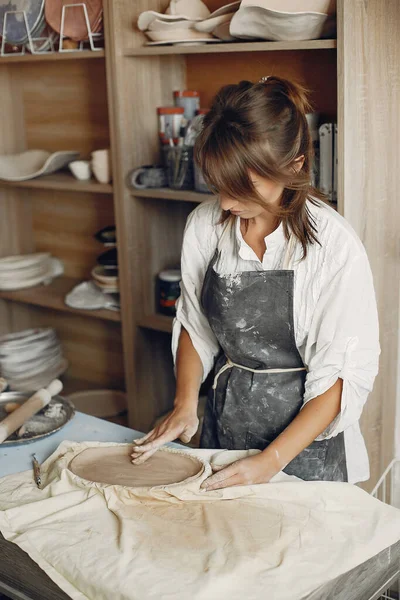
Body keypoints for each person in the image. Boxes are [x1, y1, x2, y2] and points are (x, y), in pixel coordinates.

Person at [131, 76, 380, 491]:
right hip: (227, 423)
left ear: (294, 165)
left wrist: (272, 461)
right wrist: (184, 403)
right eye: (218, 185)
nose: (226, 203)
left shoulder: (333, 247)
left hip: (306, 446)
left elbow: (339, 377)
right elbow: (196, 323)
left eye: (242, 186)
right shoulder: (206, 225)